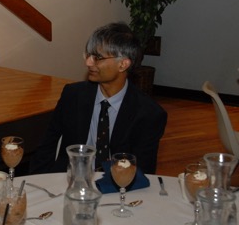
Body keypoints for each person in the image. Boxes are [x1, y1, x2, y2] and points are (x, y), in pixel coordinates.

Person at [29, 22, 167, 175]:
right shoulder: (73, 95)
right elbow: (47, 145)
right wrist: (36, 183)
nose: (88, 63)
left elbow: (142, 170)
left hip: (118, 185)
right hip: (69, 179)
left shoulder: (148, 113)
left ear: (122, 64)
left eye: (97, 57)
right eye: (88, 55)